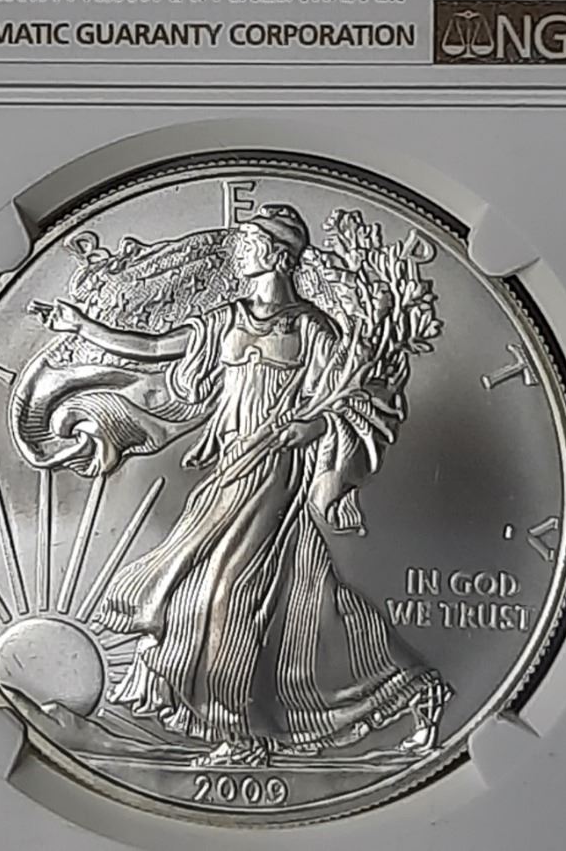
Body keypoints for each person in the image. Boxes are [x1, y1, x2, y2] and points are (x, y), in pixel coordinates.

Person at [44, 204, 449, 767]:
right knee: (304, 599)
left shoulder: (312, 329)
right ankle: (413, 689)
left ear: (279, 255)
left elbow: (348, 402)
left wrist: (311, 427)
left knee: (224, 592)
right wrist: (82, 327)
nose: (239, 250)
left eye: (251, 242)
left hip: (275, 470)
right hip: (231, 468)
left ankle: (238, 734)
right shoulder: (226, 320)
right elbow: (155, 348)